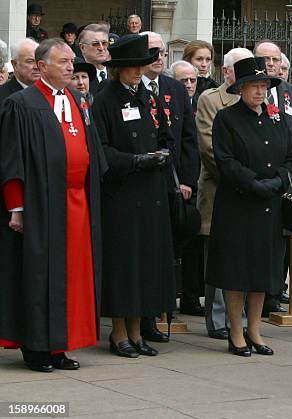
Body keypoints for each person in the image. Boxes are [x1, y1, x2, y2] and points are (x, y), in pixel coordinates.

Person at [0, 38, 106, 372]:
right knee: (40, 276)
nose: (70, 67)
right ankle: (36, 348)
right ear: (41, 67)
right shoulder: (22, 103)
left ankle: (60, 345)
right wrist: (16, 207)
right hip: (42, 205)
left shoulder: (77, 99)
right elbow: (11, 159)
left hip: (77, 204)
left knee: (72, 275)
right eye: (63, 62)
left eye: (71, 61)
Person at [206, 56, 292, 357]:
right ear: (241, 88)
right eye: (253, 86)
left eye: (263, 86)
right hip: (238, 204)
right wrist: (252, 183)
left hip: (269, 205)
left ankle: (255, 329)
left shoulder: (278, 118)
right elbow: (225, 160)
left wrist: (277, 182)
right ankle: (236, 331)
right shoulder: (227, 118)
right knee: (237, 270)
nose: (259, 92)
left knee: (262, 269)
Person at [93, 34, 175, 358]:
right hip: (123, 193)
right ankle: (119, 332)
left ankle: (139, 330)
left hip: (151, 190)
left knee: (146, 262)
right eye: (132, 67)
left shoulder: (148, 96)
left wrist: (163, 153)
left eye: (141, 66)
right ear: (119, 69)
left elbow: (164, 131)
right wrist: (134, 161)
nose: (139, 72)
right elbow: (101, 149)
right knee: (124, 264)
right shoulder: (105, 99)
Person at [140, 31, 200, 327]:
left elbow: (189, 138)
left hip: (173, 182)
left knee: (170, 248)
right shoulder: (131, 86)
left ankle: (165, 307)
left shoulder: (174, 88)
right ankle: (145, 313)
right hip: (142, 183)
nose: (158, 57)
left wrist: (187, 180)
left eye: (162, 51)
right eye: (152, 51)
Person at [196, 47, 253, 339]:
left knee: (243, 256)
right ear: (227, 71)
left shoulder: (259, 99)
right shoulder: (211, 100)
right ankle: (218, 319)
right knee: (219, 256)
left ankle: (240, 318)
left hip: (251, 192)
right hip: (221, 188)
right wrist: (242, 179)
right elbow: (209, 148)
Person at [253, 40, 292, 315]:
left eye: (274, 60)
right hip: (259, 179)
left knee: (286, 240)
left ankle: (276, 292)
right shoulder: (248, 92)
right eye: (264, 60)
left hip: (288, 180)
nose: (270, 65)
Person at [0, 39, 39, 104]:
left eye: (39, 61)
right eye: (30, 61)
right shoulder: (3, 96)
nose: (36, 67)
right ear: (15, 64)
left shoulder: (51, 92)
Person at [78, 24, 110, 94]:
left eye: (104, 43)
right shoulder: (78, 78)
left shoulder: (116, 73)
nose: (101, 48)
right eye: (95, 44)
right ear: (82, 47)